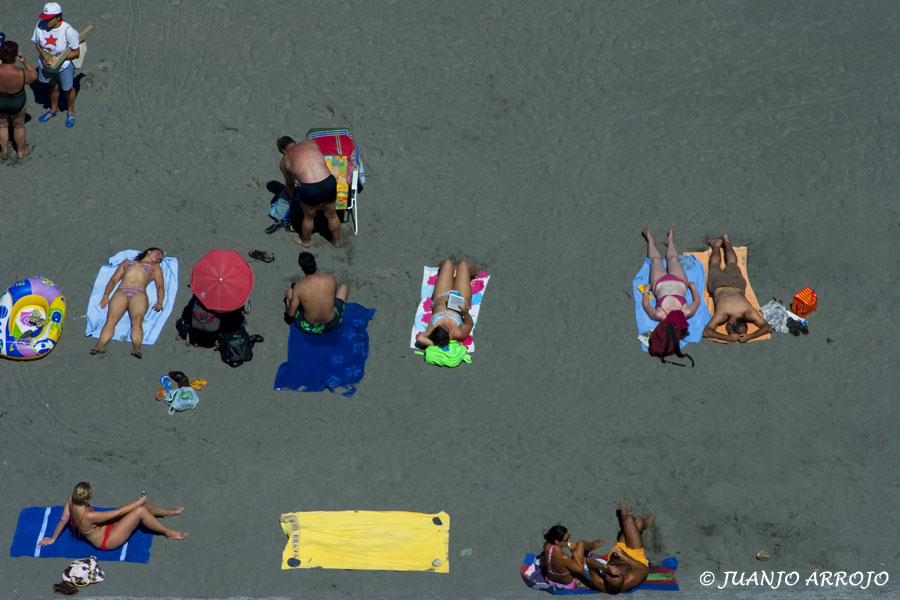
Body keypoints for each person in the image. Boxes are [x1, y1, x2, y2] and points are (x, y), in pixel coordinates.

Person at [38, 482, 188, 551]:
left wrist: (53, 538)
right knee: (139, 510)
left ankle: (166, 513)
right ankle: (168, 533)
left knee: (137, 505)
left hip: (104, 528)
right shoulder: (88, 515)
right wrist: (140, 502)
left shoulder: (71, 500)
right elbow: (117, 513)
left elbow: (63, 519)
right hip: (107, 541)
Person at [90, 247, 165, 358]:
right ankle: (100, 345)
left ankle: (137, 348)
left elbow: (160, 285)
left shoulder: (155, 267)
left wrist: (160, 302)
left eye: (160, 258)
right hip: (122, 290)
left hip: (139, 291)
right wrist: (106, 295)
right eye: (158, 253)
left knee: (137, 320)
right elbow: (114, 279)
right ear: (149, 251)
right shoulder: (127, 262)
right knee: (111, 319)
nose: (159, 257)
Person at [702, 235, 772, 343]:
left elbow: (767, 327)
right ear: (731, 321)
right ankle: (716, 246)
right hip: (718, 285)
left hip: (737, 284)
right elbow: (707, 332)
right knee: (714, 265)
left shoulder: (748, 311)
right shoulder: (723, 313)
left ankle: (726, 241)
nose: (726, 328)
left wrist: (750, 335)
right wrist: (727, 338)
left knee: (732, 263)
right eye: (728, 329)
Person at [277, 136, 341, 248]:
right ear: (294, 141)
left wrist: (292, 197)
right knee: (332, 215)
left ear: (283, 150)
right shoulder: (310, 142)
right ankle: (337, 241)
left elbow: (290, 184)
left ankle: (305, 241)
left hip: (310, 188)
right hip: (329, 182)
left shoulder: (284, 161)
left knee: (308, 217)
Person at [32, 2, 80, 128]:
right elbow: (37, 43)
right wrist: (45, 55)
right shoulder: (40, 25)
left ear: (58, 17)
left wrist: (58, 58)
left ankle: (70, 111)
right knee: (52, 86)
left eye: (49, 18)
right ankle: (53, 110)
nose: (45, 21)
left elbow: (76, 52)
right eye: (44, 18)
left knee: (68, 89)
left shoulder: (68, 31)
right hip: (46, 66)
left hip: (63, 67)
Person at [641, 227, 701, 323]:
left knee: (655, 260)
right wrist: (693, 287)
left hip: (659, 283)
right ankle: (670, 241)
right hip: (679, 281)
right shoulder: (687, 312)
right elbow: (697, 301)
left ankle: (650, 242)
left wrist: (646, 291)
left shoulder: (660, 315)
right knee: (673, 259)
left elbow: (646, 305)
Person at [415, 259, 477, 348]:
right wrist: (465, 313)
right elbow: (469, 324)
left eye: (440, 326)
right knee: (463, 265)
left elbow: (420, 339)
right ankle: (477, 271)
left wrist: (435, 342)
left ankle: (447, 271)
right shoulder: (458, 333)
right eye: (446, 328)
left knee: (447, 263)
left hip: (441, 295)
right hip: (461, 298)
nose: (444, 325)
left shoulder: (430, 331)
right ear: (449, 336)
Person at [596, 501, 655, 594]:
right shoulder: (630, 579)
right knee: (634, 520)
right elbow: (645, 570)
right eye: (618, 574)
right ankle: (642, 525)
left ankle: (639, 526)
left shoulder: (601, 583)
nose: (614, 571)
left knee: (635, 523)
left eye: (610, 574)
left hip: (618, 551)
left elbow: (589, 562)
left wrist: (603, 567)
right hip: (635, 558)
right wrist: (623, 556)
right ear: (623, 578)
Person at [284, 251, 348, 334]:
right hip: (333, 323)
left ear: (301, 267)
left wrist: (288, 307)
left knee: (289, 292)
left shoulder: (298, 287)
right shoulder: (330, 278)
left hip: (310, 328)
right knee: (344, 287)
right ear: (314, 263)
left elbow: (291, 313)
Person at [0, 41, 38, 160]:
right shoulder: (21, 73)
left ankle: (4, 151)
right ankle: (21, 151)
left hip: (1, 101)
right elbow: (34, 75)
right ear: (16, 55)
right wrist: (25, 62)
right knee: (19, 126)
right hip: (17, 101)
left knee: (2, 126)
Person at [541, 525, 608, 590]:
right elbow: (581, 571)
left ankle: (590, 546)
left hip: (551, 580)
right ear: (557, 541)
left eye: (569, 537)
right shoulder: (563, 557)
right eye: (566, 539)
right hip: (569, 583)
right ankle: (591, 546)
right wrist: (574, 552)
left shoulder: (547, 546)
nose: (569, 541)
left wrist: (552, 532)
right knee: (581, 543)